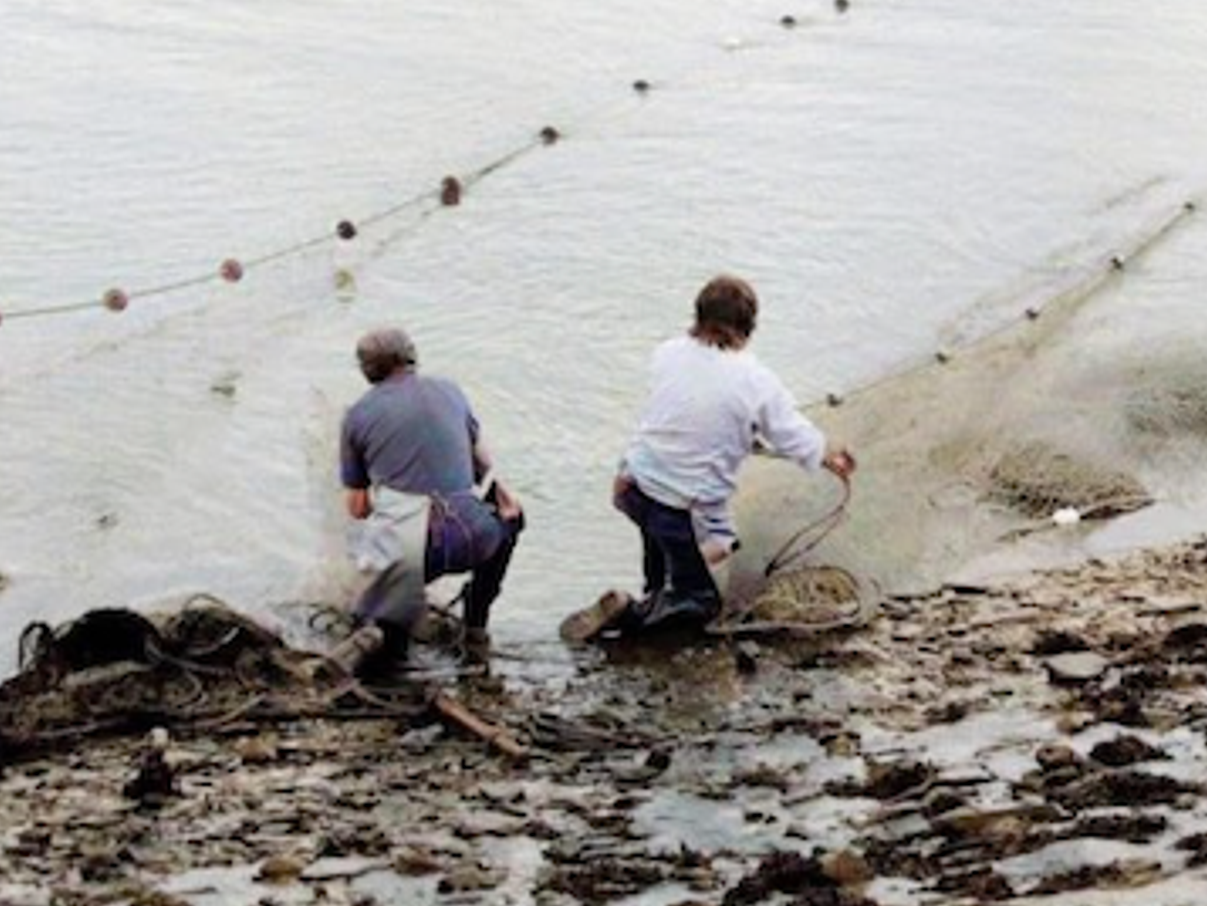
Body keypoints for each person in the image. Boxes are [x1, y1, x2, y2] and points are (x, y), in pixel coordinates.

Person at [565, 275, 855, 641]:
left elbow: (677, 416)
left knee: (660, 540)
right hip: (683, 508)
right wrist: (827, 455)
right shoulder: (754, 380)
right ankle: (633, 615)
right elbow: (790, 431)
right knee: (707, 584)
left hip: (633, 487)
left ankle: (655, 592)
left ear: (698, 317)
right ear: (744, 331)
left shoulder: (667, 353)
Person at [339, 328, 522, 662]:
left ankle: (385, 630)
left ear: (367, 369)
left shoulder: (357, 416)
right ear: (411, 357)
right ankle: (476, 624)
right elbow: (484, 467)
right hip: (474, 539)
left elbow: (357, 508)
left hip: (413, 554)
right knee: (513, 518)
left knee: (383, 618)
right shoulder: (450, 391)